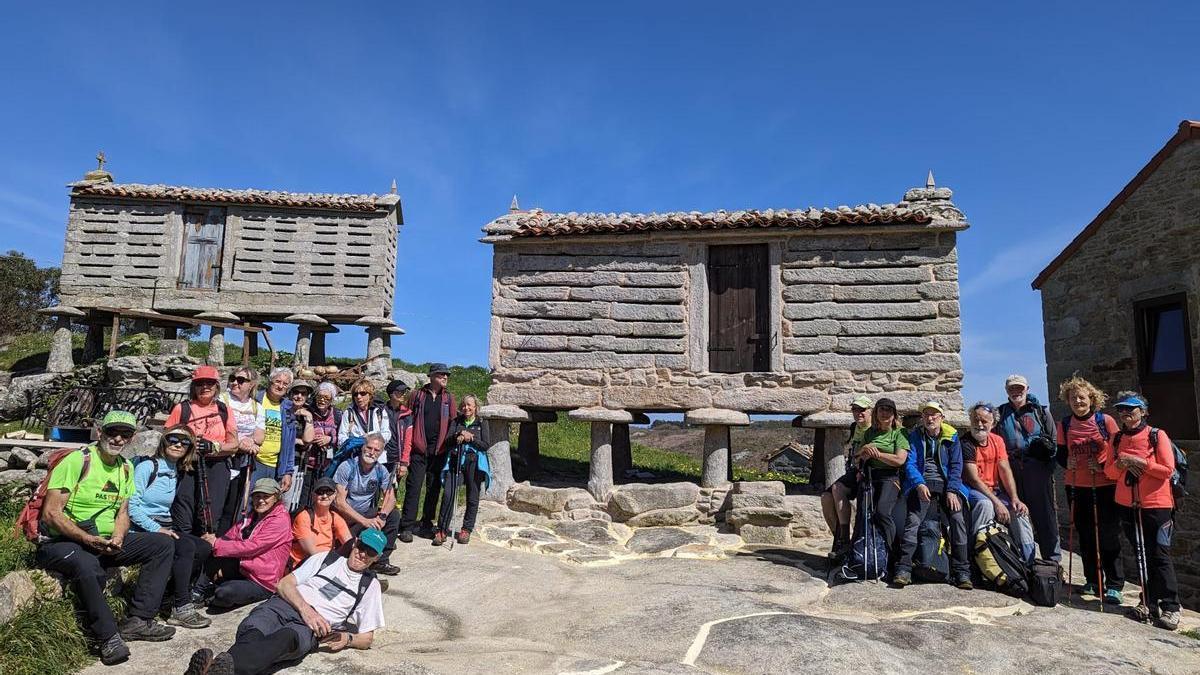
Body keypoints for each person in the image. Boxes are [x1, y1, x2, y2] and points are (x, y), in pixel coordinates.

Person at [35, 410, 175, 665]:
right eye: (112, 432)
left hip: (102, 540)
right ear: (100, 432)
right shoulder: (78, 461)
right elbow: (51, 514)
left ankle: (140, 619)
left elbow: (123, 512)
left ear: (132, 438)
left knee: (162, 544)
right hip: (61, 541)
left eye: (126, 434)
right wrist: (87, 540)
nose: (118, 439)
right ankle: (108, 638)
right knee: (88, 566)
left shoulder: (124, 468)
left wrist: (119, 537)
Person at [185, 529, 387, 675]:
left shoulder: (369, 586)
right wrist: (306, 610)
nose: (363, 554)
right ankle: (221, 671)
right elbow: (284, 584)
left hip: (307, 629)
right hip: (283, 605)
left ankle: (214, 670)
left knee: (281, 642)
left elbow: (367, 638)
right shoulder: (327, 558)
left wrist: (348, 639)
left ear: (376, 558)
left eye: (370, 553)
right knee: (253, 629)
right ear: (355, 542)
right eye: (362, 547)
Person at [1103, 392, 1180, 630]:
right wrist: (1120, 464)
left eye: (1132, 409)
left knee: (1159, 555)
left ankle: (1170, 607)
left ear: (1143, 412)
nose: (1126, 414)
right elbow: (1110, 473)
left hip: (1157, 505)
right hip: (1127, 504)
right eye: (1122, 410)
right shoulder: (1115, 438)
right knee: (1140, 554)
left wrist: (1138, 462)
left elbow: (1167, 470)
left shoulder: (1157, 435)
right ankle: (1147, 602)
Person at [127, 425, 212, 629]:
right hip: (142, 527)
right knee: (186, 547)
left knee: (203, 547)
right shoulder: (147, 467)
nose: (178, 445)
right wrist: (155, 528)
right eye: (173, 440)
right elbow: (131, 505)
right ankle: (181, 607)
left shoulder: (176, 470)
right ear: (164, 442)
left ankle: (169, 595)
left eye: (184, 442)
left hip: (164, 526)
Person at [1056, 376, 1124, 603]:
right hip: (1076, 485)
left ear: (1091, 399)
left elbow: (1117, 452)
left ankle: (1114, 584)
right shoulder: (1064, 424)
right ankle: (1093, 581)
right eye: (1073, 398)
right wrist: (1068, 463)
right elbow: (1061, 454)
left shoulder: (1106, 421)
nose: (1077, 401)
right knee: (1085, 535)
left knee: (1107, 535)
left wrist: (1103, 464)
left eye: (1082, 397)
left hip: (1104, 485)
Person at [894, 401, 972, 590]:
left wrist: (953, 491)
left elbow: (956, 466)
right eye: (926, 415)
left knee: (957, 519)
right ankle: (904, 568)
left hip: (947, 485)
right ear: (922, 418)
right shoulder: (914, 437)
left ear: (941, 418)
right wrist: (918, 483)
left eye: (934, 415)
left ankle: (962, 571)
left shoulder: (952, 437)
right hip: (922, 483)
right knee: (913, 520)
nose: (930, 418)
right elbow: (910, 464)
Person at [833, 398, 908, 582]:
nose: (885, 414)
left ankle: (894, 556)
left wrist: (878, 454)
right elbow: (859, 456)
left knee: (882, 512)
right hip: (870, 476)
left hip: (890, 478)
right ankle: (861, 556)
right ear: (876, 413)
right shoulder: (870, 433)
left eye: (889, 411)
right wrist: (865, 452)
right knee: (864, 515)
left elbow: (900, 460)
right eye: (882, 410)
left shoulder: (900, 433)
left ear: (894, 414)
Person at [191, 478, 293, 610]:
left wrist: (217, 543)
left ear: (276, 498)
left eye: (266, 496)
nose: (261, 500)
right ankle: (196, 592)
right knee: (211, 550)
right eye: (257, 496)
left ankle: (213, 594)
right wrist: (212, 540)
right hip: (243, 569)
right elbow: (229, 537)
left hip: (262, 580)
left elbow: (253, 547)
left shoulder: (280, 520)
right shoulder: (252, 516)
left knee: (223, 594)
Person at [994, 374, 1061, 563]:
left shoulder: (1040, 412)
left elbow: (1054, 441)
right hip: (1012, 469)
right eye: (1012, 388)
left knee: (1045, 517)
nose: (1016, 391)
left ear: (1027, 389)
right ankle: (1022, 561)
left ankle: (1052, 563)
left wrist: (1048, 467)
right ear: (1007, 391)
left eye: (1019, 388)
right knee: (1017, 515)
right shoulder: (1000, 414)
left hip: (1037, 469)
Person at [168, 365, 240, 537]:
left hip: (217, 466)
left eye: (210, 383)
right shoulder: (182, 408)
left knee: (210, 514)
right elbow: (167, 439)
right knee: (184, 511)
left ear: (216, 387)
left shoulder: (224, 410)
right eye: (200, 383)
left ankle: (204, 552)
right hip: (187, 466)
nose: (205, 387)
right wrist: (188, 445)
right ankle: (182, 549)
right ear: (194, 386)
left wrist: (213, 446)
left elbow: (234, 445)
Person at [961, 402, 1035, 563]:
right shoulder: (965, 442)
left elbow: (1005, 470)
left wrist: (1015, 498)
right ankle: (977, 556)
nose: (979, 424)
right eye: (975, 420)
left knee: (1020, 511)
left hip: (995, 491)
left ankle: (1028, 561)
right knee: (985, 506)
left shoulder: (997, 441)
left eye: (984, 421)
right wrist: (997, 503)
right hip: (972, 490)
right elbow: (973, 479)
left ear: (993, 424)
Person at [399, 363, 457, 542]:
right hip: (419, 450)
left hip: (439, 451)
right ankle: (407, 526)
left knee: (433, 489)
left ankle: (426, 523)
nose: (445, 377)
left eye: (446, 375)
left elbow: (454, 421)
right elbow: (408, 417)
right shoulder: (417, 396)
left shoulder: (449, 398)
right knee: (414, 488)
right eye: (441, 375)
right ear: (431, 377)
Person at [333, 433, 401, 575]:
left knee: (393, 515)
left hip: (365, 515)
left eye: (376, 450)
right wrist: (365, 521)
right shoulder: (347, 467)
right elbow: (339, 502)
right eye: (369, 447)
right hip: (344, 518)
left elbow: (391, 498)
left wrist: (382, 516)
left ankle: (380, 561)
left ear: (381, 453)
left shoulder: (380, 470)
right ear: (362, 447)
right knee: (344, 552)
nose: (371, 452)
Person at [821, 395, 873, 562]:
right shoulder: (854, 427)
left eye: (862, 410)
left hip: (870, 471)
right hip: (855, 470)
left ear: (871, 411)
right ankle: (841, 540)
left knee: (837, 488)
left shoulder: (875, 429)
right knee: (826, 498)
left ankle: (844, 542)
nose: (858, 413)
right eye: (855, 409)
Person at [437, 394, 492, 546]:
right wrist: (458, 435)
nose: (466, 408)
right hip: (456, 460)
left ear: (475, 407)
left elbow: (486, 445)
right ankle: (441, 530)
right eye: (464, 405)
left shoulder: (481, 422)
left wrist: (471, 438)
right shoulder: (456, 422)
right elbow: (447, 442)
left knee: (472, 497)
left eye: (469, 405)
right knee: (448, 494)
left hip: (474, 463)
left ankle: (466, 529)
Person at [251, 368, 313, 494]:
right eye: (277, 381)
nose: (280, 386)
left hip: (277, 465)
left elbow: (289, 444)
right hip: (255, 462)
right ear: (270, 381)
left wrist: (288, 472)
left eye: (285, 384)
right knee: (249, 503)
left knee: (270, 505)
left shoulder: (288, 407)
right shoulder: (256, 400)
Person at [290, 477, 352, 569]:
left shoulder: (335, 517)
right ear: (313, 495)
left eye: (329, 492)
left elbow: (350, 544)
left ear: (335, 494)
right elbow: (311, 552)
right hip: (303, 564)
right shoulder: (304, 517)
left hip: (326, 562)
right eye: (320, 492)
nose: (325, 496)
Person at [336, 378, 392, 467]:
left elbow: (387, 433)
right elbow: (341, 437)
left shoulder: (380, 411)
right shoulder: (349, 412)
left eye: (362, 393)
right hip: (354, 460)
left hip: (377, 459)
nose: (358, 397)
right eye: (355, 394)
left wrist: (371, 439)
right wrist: (355, 442)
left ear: (370, 395)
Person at [384, 379, 414, 476]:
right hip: (380, 456)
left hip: (397, 458)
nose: (403, 394)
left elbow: (408, 440)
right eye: (400, 391)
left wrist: (404, 462)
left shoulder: (407, 414)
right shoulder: (380, 410)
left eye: (404, 391)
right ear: (391, 394)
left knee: (392, 490)